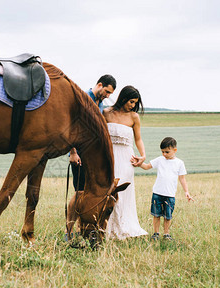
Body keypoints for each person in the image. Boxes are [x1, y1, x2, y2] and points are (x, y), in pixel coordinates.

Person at [66, 75, 116, 239]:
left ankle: (84, 228)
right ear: (100, 85)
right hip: (78, 154)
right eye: (107, 91)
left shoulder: (100, 105)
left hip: (91, 159)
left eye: (110, 94)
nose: (107, 96)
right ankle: (69, 231)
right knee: (79, 192)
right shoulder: (84, 98)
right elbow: (72, 126)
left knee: (89, 193)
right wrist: (73, 152)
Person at [102, 85, 149, 239]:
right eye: (131, 101)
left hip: (126, 158)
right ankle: (105, 225)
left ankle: (124, 225)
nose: (133, 105)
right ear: (123, 98)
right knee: (108, 190)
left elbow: (138, 138)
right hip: (109, 156)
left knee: (123, 191)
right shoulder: (107, 112)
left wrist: (142, 155)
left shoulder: (134, 117)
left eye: (135, 103)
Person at [136, 137, 193, 241]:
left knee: (168, 216)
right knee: (156, 215)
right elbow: (147, 166)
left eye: (167, 152)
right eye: (162, 152)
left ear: (174, 150)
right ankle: (156, 233)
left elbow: (182, 179)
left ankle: (166, 234)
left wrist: (186, 192)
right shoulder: (159, 160)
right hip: (157, 193)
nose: (164, 154)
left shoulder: (179, 163)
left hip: (170, 194)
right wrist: (139, 163)